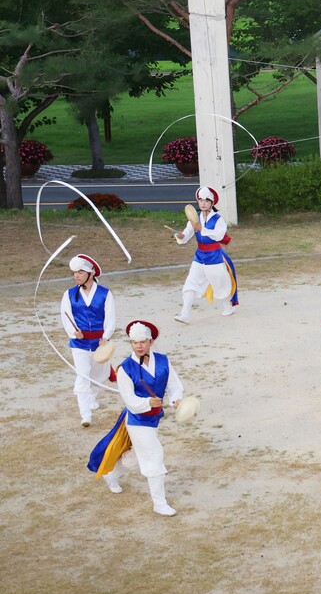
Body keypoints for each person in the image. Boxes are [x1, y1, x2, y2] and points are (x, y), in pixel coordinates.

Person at [87, 320, 185, 516]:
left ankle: (111, 474)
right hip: (137, 420)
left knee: (134, 459)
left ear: (150, 341)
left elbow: (174, 385)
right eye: (134, 342)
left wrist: (176, 399)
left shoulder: (164, 361)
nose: (139, 346)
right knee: (154, 456)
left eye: (142, 341)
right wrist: (148, 402)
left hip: (155, 418)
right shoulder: (125, 369)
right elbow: (130, 401)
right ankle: (159, 503)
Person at [61, 254, 116, 427]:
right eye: (75, 273)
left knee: (100, 374)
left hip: (100, 343)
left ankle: (92, 396)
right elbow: (66, 316)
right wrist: (73, 332)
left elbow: (110, 318)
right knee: (83, 375)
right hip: (79, 344)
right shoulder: (69, 294)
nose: (76, 275)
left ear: (90, 274)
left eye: (80, 272)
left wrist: (106, 336)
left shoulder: (105, 294)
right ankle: (86, 415)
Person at [173, 186, 238, 323]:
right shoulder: (195, 218)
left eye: (206, 200)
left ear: (212, 203)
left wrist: (202, 229)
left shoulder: (218, 220)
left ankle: (228, 307)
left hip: (214, 257)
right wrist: (181, 235)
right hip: (199, 257)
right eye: (200, 200)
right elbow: (187, 234)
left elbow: (219, 235)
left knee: (221, 284)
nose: (203, 203)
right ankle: (185, 314)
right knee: (190, 284)